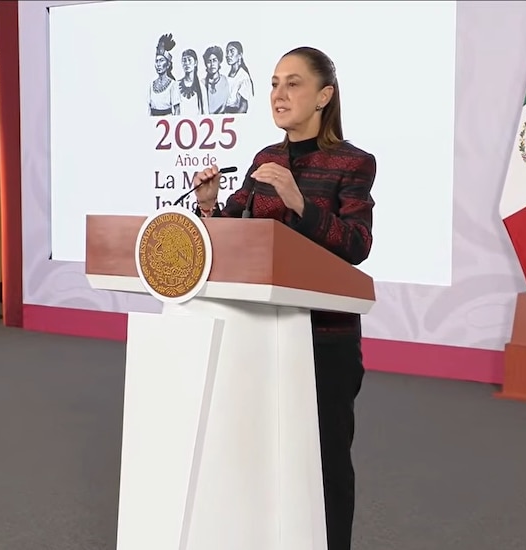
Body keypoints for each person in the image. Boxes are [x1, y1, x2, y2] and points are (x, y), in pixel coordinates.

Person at [190, 46, 377, 550]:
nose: (278, 93)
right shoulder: (264, 160)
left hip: (323, 338)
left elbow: (357, 245)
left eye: (293, 83)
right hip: (258, 334)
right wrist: (209, 209)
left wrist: (299, 203)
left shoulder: (353, 163)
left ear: (324, 95)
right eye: (274, 82)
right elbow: (237, 237)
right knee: (263, 455)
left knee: (325, 461)